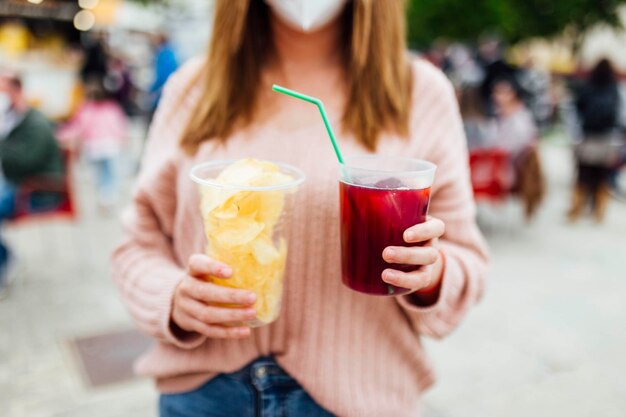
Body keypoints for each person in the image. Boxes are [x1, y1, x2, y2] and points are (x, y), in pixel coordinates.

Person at [112, 1, 489, 416]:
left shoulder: (421, 92)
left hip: (359, 397)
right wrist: (175, 299)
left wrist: (431, 273)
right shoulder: (193, 88)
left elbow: (467, 258)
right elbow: (135, 247)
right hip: (205, 397)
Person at [0, 71, 63, 296]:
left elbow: (26, 161)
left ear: (14, 91)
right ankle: (6, 257)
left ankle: (4, 263)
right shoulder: (13, 119)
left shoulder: (35, 122)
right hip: (15, 185)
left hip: (36, 191)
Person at [568, 59, 624, 222]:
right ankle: (598, 211)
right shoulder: (614, 89)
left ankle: (577, 209)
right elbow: (619, 115)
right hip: (606, 139)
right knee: (602, 177)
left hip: (588, 137)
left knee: (582, 175)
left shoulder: (587, 86)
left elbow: (577, 110)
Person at [57, 79, 127, 210]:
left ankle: (103, 196)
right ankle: (108, 198)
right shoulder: (112, 108)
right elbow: (120, 126)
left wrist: (60, 135)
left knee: (99, 174)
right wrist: (123, 140)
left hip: (94, 147)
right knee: (110, 174)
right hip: (111, 146)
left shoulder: (86, 109)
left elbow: (78, 128)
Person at [149, 31, 179, 115]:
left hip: (163, 90)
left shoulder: (163, 54)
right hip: (168, 89)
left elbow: (161, 75)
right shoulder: (171, 53)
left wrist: (152, 89)